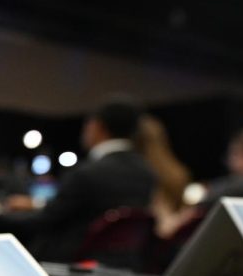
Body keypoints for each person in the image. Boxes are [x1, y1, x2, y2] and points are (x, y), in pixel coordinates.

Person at [28, 96, 156, 262]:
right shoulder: (146, 173)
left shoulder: (87, 173)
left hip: (71, 264)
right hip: (122, 263)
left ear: (98, 126)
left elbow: (46, 219)